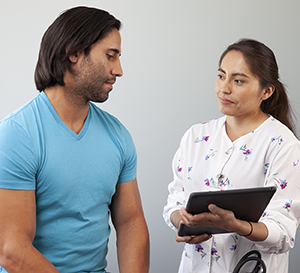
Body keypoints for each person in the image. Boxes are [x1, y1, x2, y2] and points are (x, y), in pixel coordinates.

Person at [0, 6, 149, 273]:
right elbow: (11, 250)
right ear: (74, 54)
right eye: (110, 56)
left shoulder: (118, 135)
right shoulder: (16, 135)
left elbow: (131, 222)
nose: (119, 70)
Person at [163, 38, 300, 273]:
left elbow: (283, 234)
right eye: (220, 76)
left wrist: (237, 226)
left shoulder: (282, 144)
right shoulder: (196, 136)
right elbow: (174, 203)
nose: (224, 88)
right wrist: (183, 222)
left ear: (266, 91)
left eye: (238, 81)